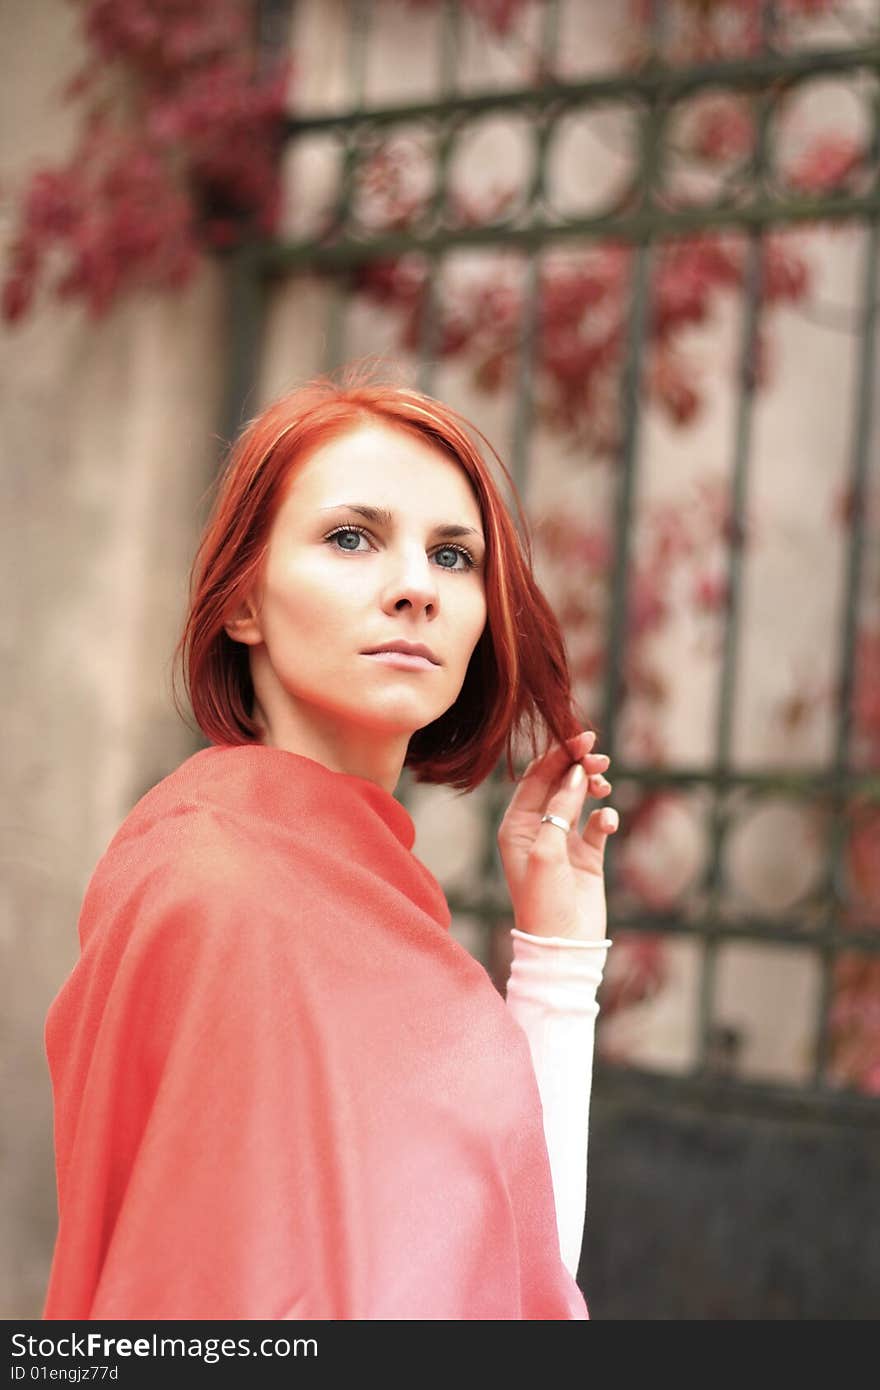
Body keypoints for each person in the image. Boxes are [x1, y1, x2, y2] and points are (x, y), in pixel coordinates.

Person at [41, 369, 619, 1321]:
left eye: (453, 556)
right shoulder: (213, 886)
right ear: (244, 604)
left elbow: (511, 1272)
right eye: (352, 538)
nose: (414, 590)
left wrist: (558, 959)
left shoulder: (384, 904)